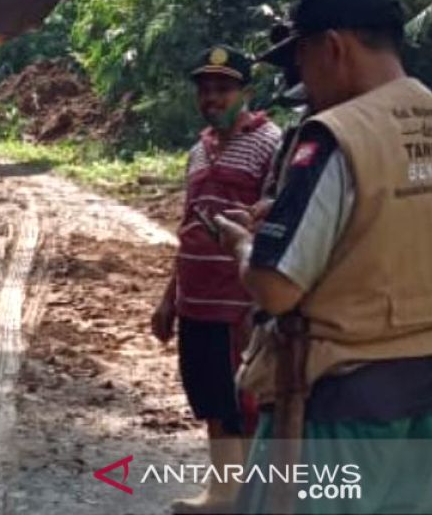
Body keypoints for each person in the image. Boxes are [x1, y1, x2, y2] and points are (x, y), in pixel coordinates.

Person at [215, 0, 432, 515]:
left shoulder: (336, 136)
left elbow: (275, 289)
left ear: (333, 47)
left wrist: (246, 247)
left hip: (342, 403)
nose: (305, 84)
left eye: (303, 59)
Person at [151, 45, 282, 514]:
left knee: (245, 404)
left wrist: (260, 302)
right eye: (205, 90)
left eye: (223, 89)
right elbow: (188, 226)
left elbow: (279, 224)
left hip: (239, 304)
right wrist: (170, 299)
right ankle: (223, 494)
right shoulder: (198, 151)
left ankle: (251, 498)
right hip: (196, 301)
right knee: (210, 397)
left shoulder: (272, 144)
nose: (212, 98)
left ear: (245, 92)